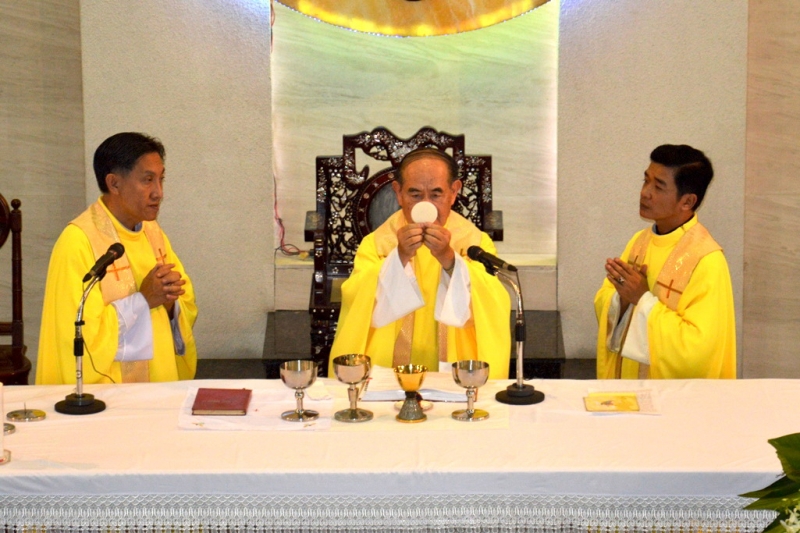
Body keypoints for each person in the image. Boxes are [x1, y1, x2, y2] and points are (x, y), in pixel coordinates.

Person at [329, 147, 511, 379]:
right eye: (415, 195)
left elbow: (493, 303)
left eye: (436, 194)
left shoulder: (474, 243)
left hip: (457, 363)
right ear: (398, 192)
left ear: (454, 192)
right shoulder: (378, 243)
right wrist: (399, 258)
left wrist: (449, 259)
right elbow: (356, 302)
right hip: (386, 366)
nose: (426, 205)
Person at [36, 132, 197, 384]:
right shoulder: (78, 242)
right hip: (106, 394)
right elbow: (78, 334)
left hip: (160, 384)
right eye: (148, 180)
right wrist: (143, 300)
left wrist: (169, 303)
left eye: (161, 179)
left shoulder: (152, 232)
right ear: (114, 184)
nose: (159, 193)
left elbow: (184, 301)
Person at [594, 144, 736, 379]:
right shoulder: (639, 242)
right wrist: (622, 299)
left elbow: (698, 350)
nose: (645, 193)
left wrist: (642, 299)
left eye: (658, 186)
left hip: (676, 394)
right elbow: (605, 299)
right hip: (630, 383)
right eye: (646, 181)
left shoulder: (707, 259)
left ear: (687, 201)